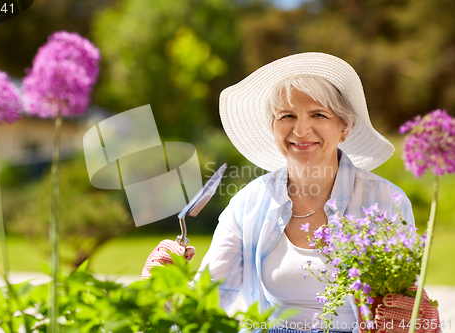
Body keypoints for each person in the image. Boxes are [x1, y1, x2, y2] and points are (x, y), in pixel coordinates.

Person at [142, 52, 440, 333]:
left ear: (344, 127)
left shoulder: (385, 200)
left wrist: (416, 321)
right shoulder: (249, 202)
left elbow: (403, 307)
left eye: (318, 115)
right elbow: (203, 304)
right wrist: (165, 284)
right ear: (273, 127)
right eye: (287, 116)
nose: (300, 130)